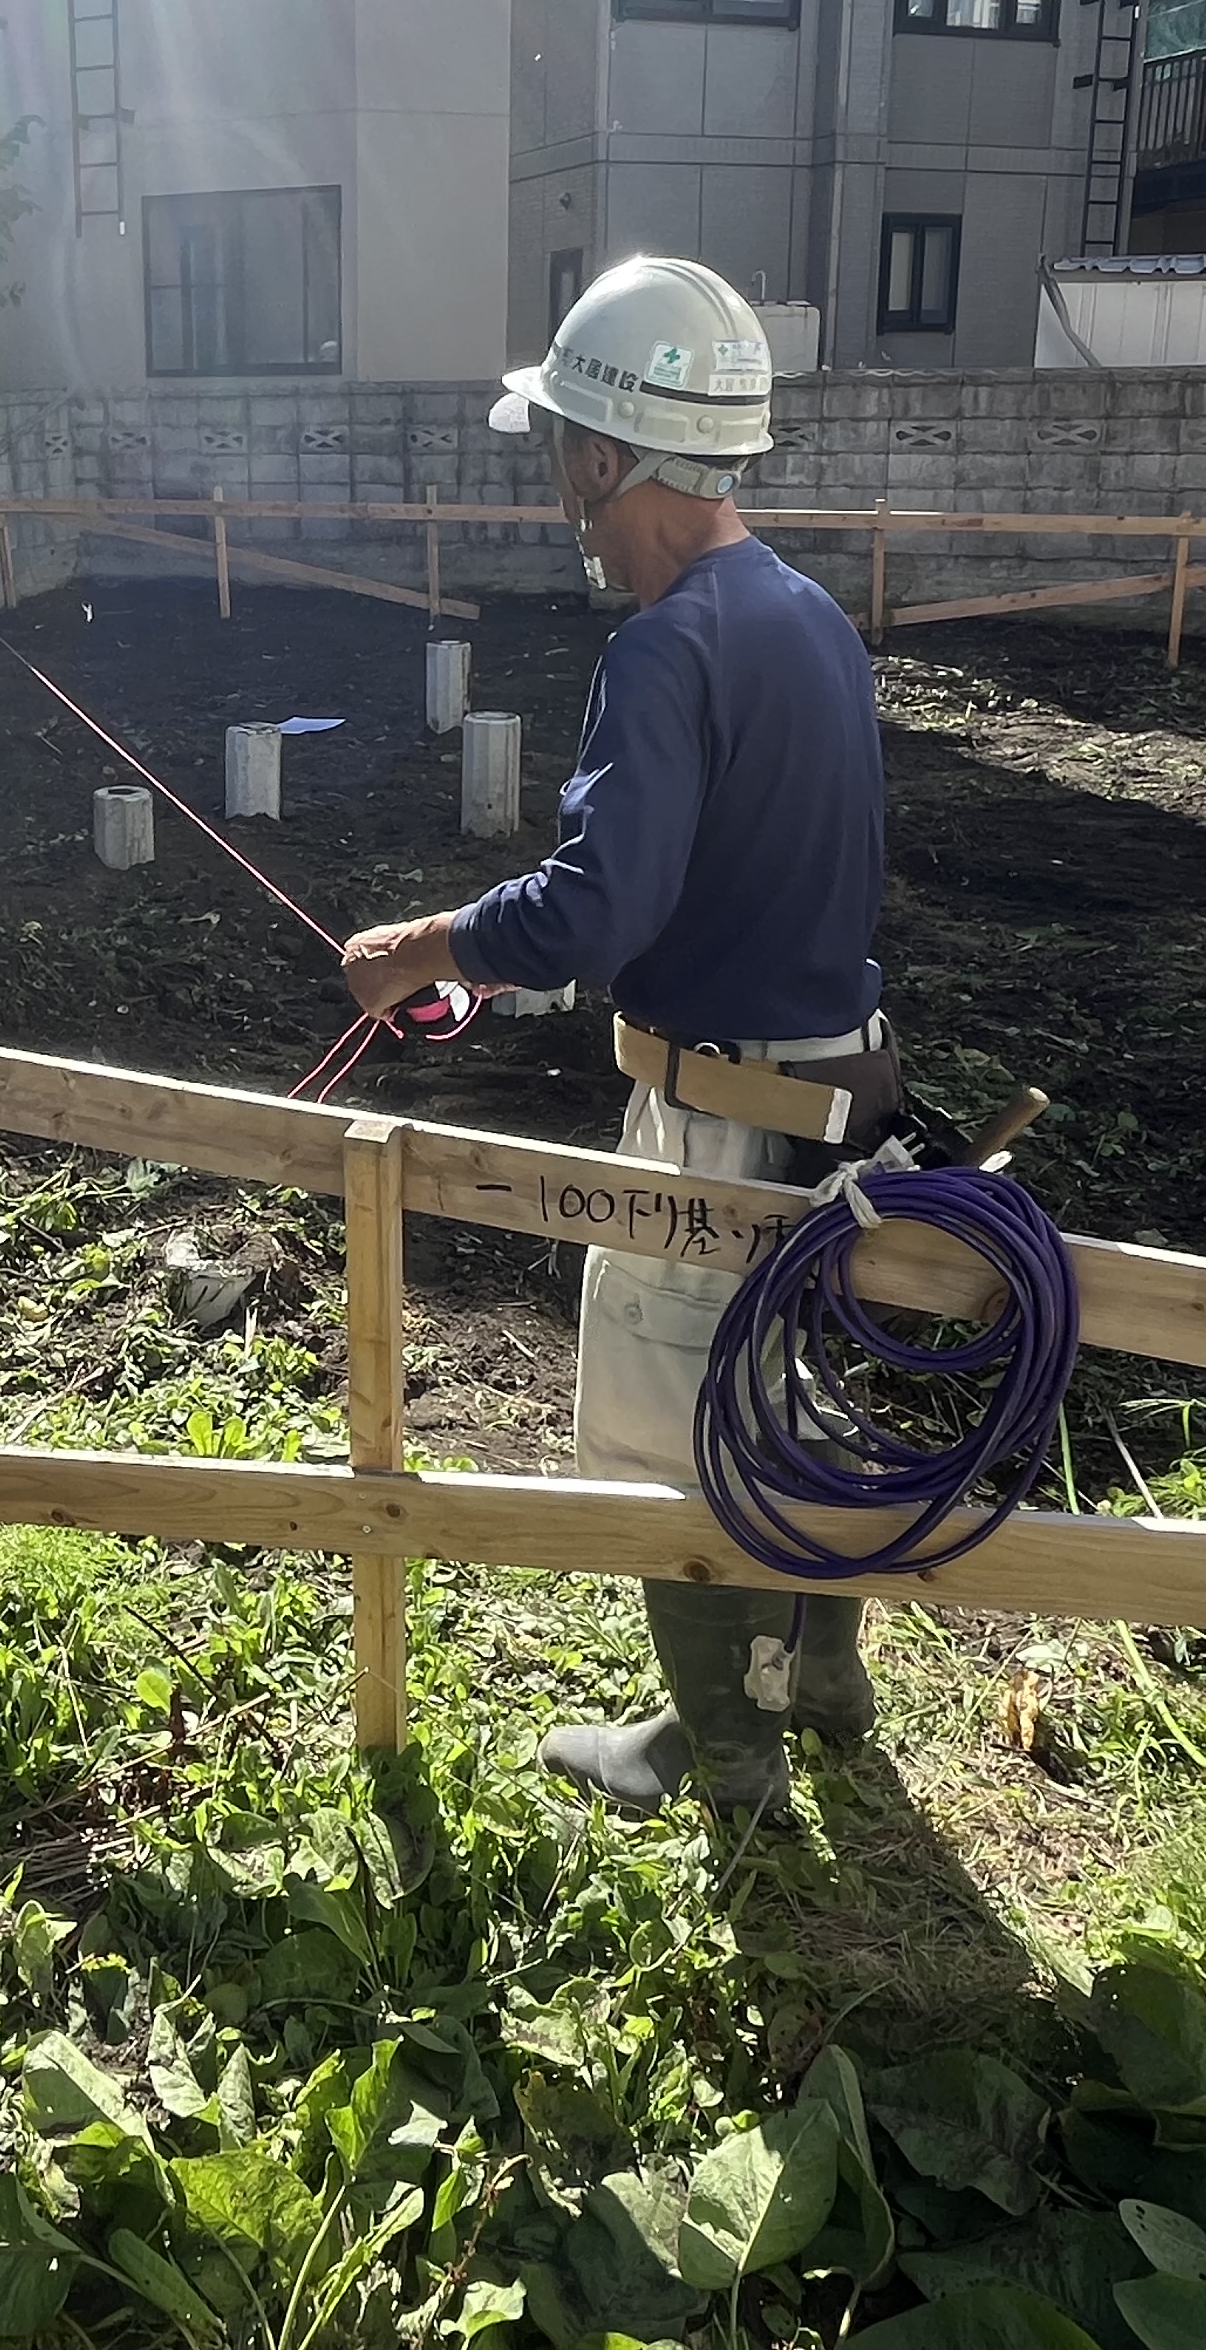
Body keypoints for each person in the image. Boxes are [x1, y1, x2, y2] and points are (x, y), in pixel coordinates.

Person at [337, 258, 896, 1815]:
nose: (559, 496)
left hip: (722, 1106)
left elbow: (599, 905)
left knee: (676, 1423)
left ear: (605, 457)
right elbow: (734, 872)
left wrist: (428, 948)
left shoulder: (662, 647)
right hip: (846, 1081)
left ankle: (722, 1755)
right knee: (798, 1387)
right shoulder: (803, 615)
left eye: (560, 457)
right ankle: (827, 1675)